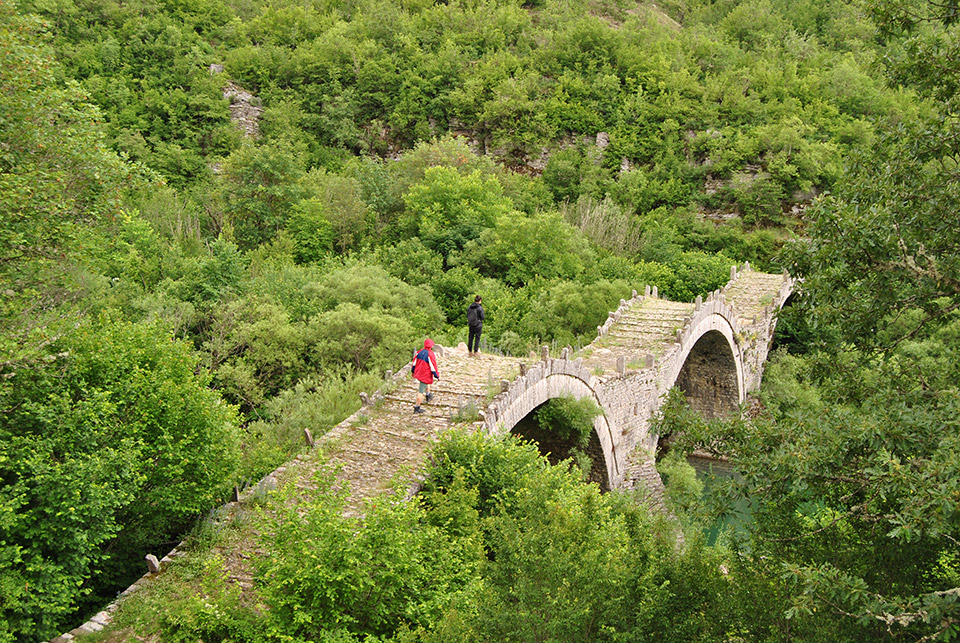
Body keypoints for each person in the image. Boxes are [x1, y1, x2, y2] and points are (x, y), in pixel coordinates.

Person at [411, 338, 440, 414]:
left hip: (419, 372)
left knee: (426, 383)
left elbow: (414, 363)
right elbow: (433, 366)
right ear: (431, 346)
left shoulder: (419, 352)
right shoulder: (430, 354)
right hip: (425, 374)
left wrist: (413, 371)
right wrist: (437, 375)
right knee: (421, 391)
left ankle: (428, 395)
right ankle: (417, 408)